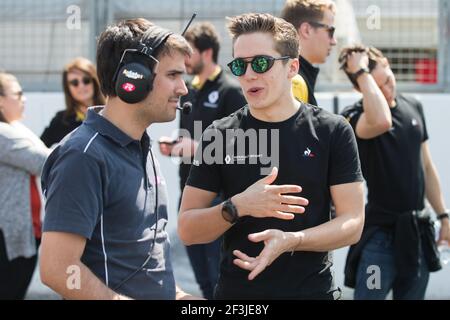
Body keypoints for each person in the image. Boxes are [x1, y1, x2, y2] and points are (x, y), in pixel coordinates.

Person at [177, 13, 364, 299]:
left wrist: (292, 240)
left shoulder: (332, 131)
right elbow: (188, 229)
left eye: (261, 63)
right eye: (240, 65)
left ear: (292, 68)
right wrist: (237, 206)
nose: (249, 74)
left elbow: (352, 223)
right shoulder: (220, 134)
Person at [39, 18, 199, 300]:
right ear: (133, 77)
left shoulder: (142, 147)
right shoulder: (83, 156)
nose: (183, 88)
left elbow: (143, 266)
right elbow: (58, 268)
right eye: (173, 75)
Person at [339, 45, 450, 300]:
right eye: (378, 87)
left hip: (417, 235)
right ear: (361, 86)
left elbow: (427, 166)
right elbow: (381, 121)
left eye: (388, 80)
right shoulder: (355, 117)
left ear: (389, 65)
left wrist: (443, 216)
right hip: (380, 241)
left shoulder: (414, 105)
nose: (388, 90)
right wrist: (361, 72)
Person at [159, 22, 246, 299]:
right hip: (189, 192)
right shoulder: (190, 90)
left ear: (206, 53)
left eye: (189, 52)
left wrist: (195, 148)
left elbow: (244, 147)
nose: (184, 60)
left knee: (217, 278)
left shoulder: (230, 90)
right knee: (203, 282)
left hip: (217, 198)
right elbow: (191, 138)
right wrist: (176, 146)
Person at [0, 72, 50, 299]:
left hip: (25, 230)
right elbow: (43, 161)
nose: (24, 98)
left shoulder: (15, 129)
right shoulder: (4, 134)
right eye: (18, 94)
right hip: (9, 235)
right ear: (1, 101)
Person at [281, 0, 337, 105]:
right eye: (330, 31)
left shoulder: (287, 73)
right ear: (306, 30)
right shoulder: (293, 81)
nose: (334, 41)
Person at [40, 57, 105, 147]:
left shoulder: (110, 115)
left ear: (94, 82)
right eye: (74, 82)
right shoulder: (60, 120)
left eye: (86, 80)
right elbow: (41, 149)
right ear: (68, 88)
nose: (81, 86)